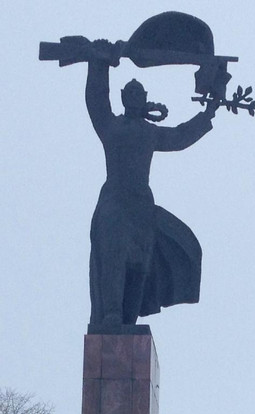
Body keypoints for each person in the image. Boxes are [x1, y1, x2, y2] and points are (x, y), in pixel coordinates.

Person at [85, 39, 220, 330]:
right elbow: (96, 100)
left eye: (138, 92)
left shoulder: (149, 132)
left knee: (139, 265)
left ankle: (128, 320)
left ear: (143, 97)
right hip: (114, 203)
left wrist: (207, 115)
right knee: (113, 258)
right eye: (130, 91)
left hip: (141, 206)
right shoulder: (111, 126)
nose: (134, 95)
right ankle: (110, 315)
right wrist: (99, 63)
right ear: (123, 97)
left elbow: (180, 137)